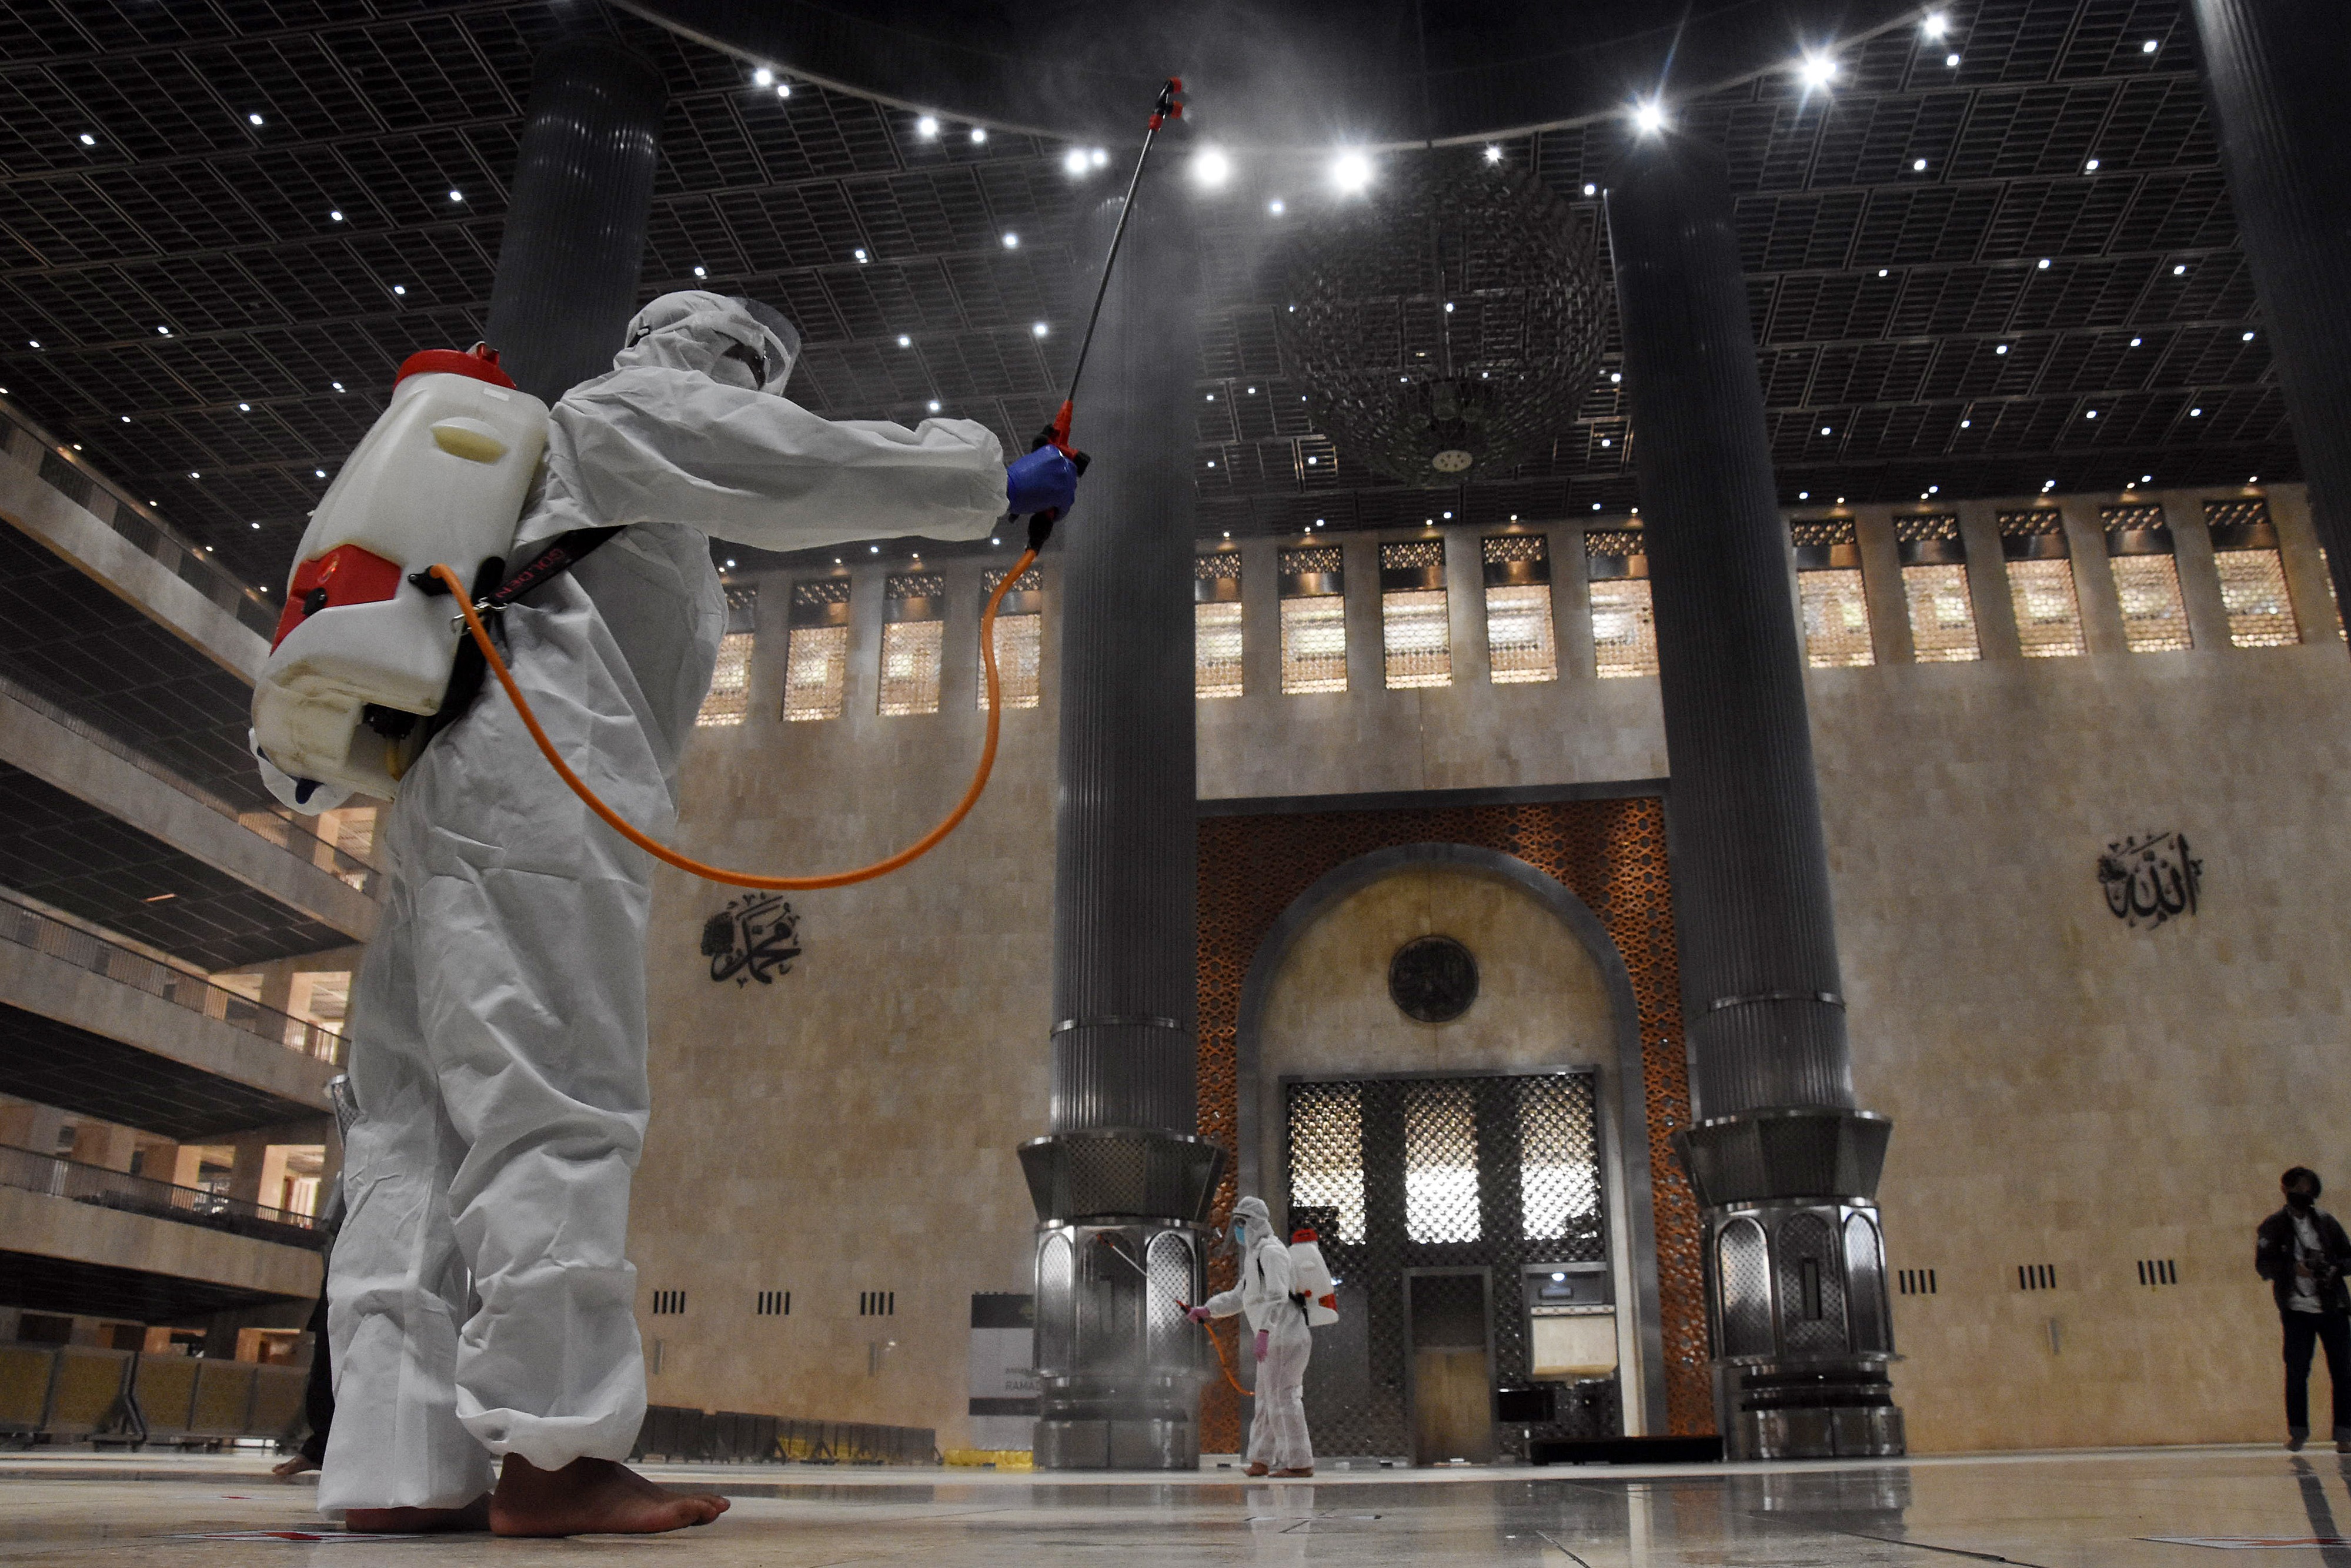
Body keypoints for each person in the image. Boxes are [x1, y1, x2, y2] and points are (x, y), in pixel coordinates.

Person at [316, 292, 1078, 1536]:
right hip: (536, 788)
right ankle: (556, 1454)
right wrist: (987, 476)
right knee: (557, 1093)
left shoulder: (561, 468)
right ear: (720, 359)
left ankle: (400, 1461)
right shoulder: (632, 412)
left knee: (414, 1124)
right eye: (750, 374)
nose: (752, 397)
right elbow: (795, 468)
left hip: (443, 792)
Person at [1191, 1196, 1314, 1477]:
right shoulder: (1255, 1256)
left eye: (1241, 1224)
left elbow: (1278, 1296)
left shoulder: (1272, 1252)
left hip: (1285, 1337)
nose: (1238, 1230)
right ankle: (1261, 1459)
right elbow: (1240, 1297)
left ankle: (1299, 1462)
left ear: (1255, 1223)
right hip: (1272, 1340)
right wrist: (1208, 1310)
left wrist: (1265, 1331)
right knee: (1267, 1399)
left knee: (1283, 1398)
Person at [2256, 1166, 2351, 1452]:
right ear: (2285, 1190)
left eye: (2309, 1188)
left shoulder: (2326, 1222)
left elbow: (2349, 1258)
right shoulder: (2273, 1226)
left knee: (2344, 1372)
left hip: (2332, 1306)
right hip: (2297, 1310)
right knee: (2297, 1371)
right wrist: (2293, 1269)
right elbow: (2263, 1265)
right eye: (2298, 1188)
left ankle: (2345, 1434)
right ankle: (2298, 1432)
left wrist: (2333, 1268)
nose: (2304, 1194)